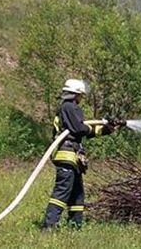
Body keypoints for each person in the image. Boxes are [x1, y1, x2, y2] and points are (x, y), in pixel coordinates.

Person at [42, 79, 121, 229]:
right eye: (81, 95)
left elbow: (83, 131)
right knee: (62, 192)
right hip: (67, 154)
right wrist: (102, 123)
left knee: (77, 194)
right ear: (76, 94)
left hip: (73, 157)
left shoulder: (67, 108)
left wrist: (107, 129)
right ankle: (49, 225)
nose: (81, 98)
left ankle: (75, 225)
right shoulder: (70, 107)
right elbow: (79, 129)